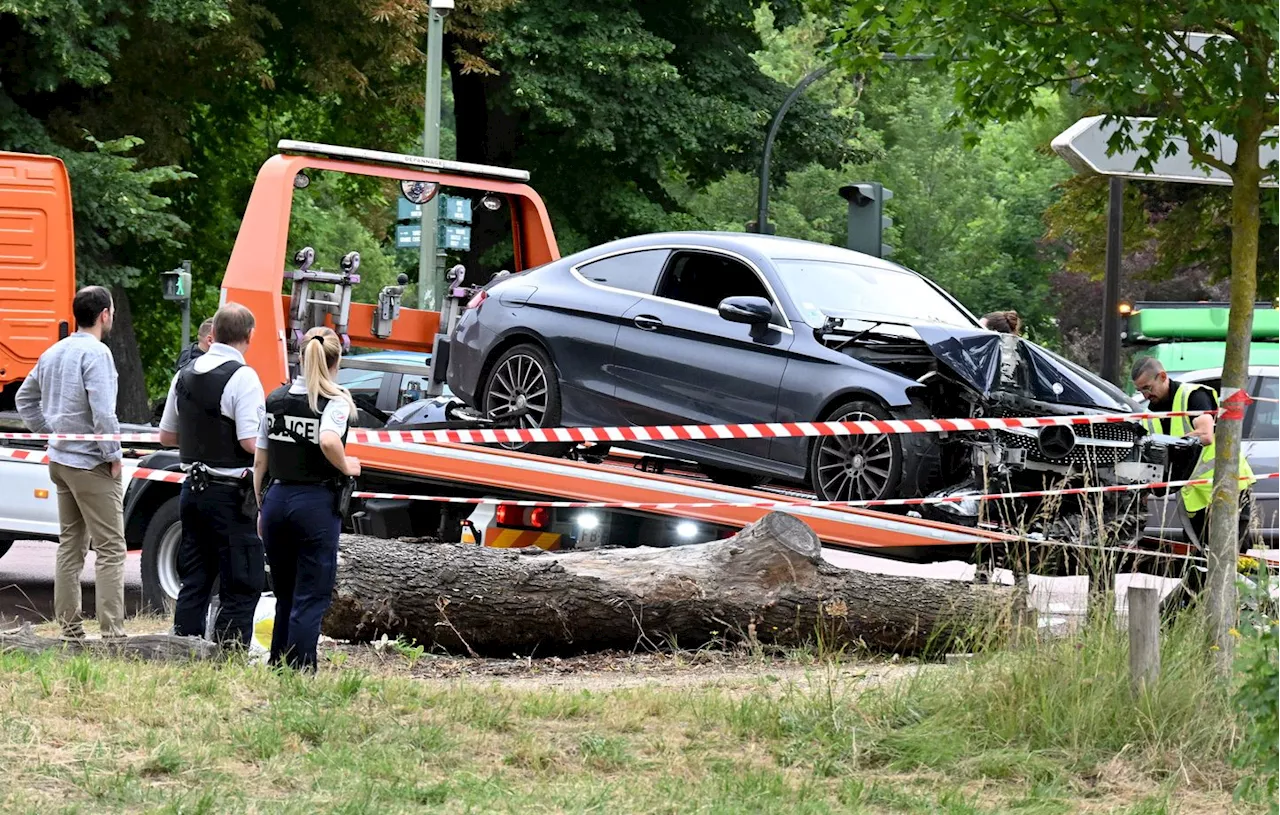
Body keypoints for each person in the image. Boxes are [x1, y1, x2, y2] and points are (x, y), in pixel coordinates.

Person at [15, 286, 127, 640]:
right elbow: (103, 412)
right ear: (104, 315)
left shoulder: (53, 352)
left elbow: (24, 399)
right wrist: (113, 456)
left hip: (60, 460)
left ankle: (70, 629)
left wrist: (51, 432)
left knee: (70, 545)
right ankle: (113, 633)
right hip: (89, 463)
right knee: (111, 548)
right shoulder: (97, 354)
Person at [158, 303, 266, 647]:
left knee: (195, 578)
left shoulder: (184, 374)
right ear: (249, 336)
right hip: (230, 493)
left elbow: (167, 437)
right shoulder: (242, 376)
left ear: (213, 334)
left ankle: (184, 648)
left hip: (192, 489)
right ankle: (227, 654)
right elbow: (250, 442)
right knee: (241, 580)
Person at [254, 326, 361, 671]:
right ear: (336, 360)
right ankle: (301, 669)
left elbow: (260, 460)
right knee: (311, 595)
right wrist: (349, 466)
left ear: (301, 357)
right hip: (314, 503)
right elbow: (330, 441)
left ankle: (279, 663)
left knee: (284, 593)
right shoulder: (334, 402)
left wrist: (261, 504)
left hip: (277, 499)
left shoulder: (275, 399)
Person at [1131, 356, 1258, 553]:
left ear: (1163, 376)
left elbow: (1206, 435)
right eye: (1140, 391)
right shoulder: (1150, 415)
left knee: (1232, 555)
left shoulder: (1192, 396)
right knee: (1199, 558)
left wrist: (1166, 444)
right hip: (1195, 498)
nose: (1146, 394)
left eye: (1148, 387)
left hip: (1226, 488)